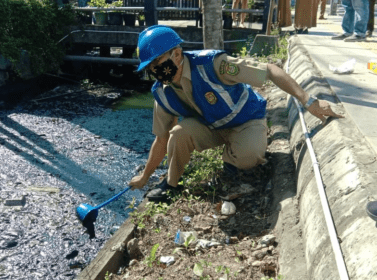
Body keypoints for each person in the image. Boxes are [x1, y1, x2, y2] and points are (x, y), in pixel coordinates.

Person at [128, 25, 344, 202]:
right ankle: (171, 184)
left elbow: (269, 70)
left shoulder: (212, 64)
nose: (153, 70)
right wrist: (145, 177)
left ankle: (232, 161)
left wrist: (308, 101)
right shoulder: (162, 92)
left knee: (248, 157)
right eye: (149, 66)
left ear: (176, 54)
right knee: (178, 134)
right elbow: (161, 138)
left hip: (246, 120)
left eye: (156, 62)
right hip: (211, 127)